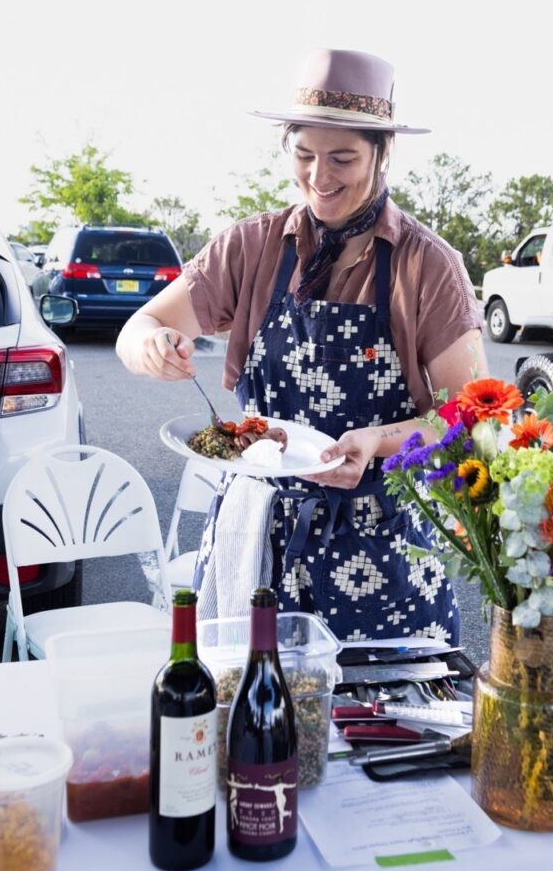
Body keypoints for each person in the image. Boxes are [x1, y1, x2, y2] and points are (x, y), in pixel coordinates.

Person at [116, 48, 486, 643]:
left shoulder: (429, 265)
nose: (320, 176)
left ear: (384, 152)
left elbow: (469, 418)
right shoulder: (250, 245)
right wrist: (152, 345)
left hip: (381, 548)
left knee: (384, 723)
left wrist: (380, 442)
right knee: (251, 715)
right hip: (255, 537)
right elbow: (137, 330)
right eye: (304, 154)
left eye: (342, 157)